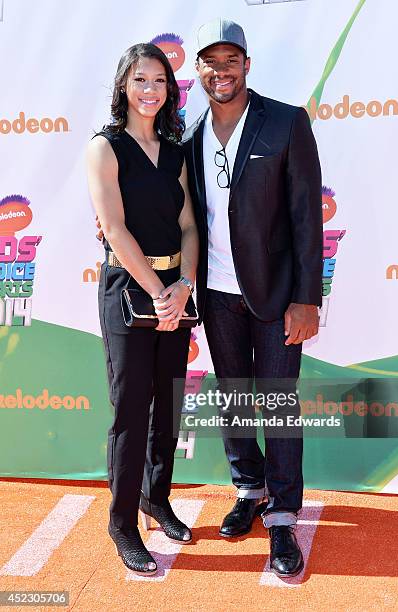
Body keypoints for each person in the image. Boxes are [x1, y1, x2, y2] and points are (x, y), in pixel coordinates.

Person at [182, 19, 322, 578]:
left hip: (276, 295)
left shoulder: (286, 122)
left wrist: (306, 298)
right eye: (210, 62)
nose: (222, 70)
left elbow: (306, 217)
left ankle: (284, 515)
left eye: (231, 59)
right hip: (215, 295)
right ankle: (250, 488)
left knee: (279, 403)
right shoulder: (188, 134)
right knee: (234, 398)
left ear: (247, 63)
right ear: (197, 70)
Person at [87, 42, 198, 576]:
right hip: (129, 291)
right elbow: (113, 228)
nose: (150, 90)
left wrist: (185, 286)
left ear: (170, 90)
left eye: (160, 81)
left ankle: (157, 499)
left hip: (174, 291)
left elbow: (189, 227)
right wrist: (158, 291)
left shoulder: (176, 150)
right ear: (123, 87)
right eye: (140, 80)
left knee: (168, 406)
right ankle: (122, 523)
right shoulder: (105, 147)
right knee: (132, 411)